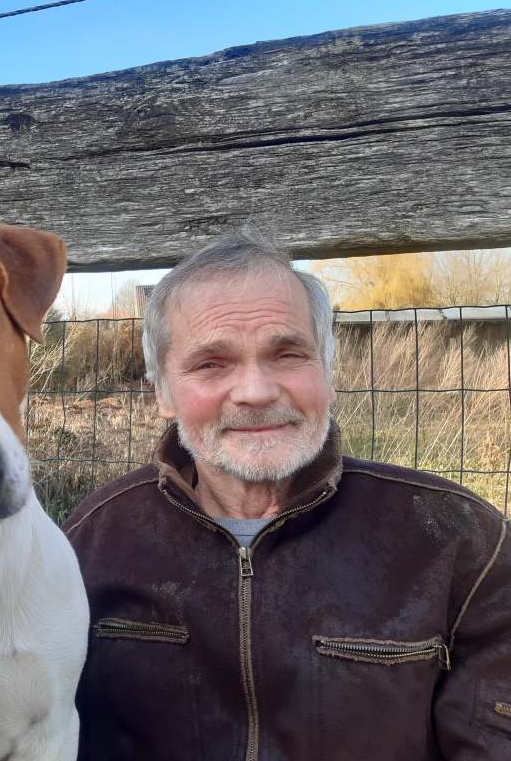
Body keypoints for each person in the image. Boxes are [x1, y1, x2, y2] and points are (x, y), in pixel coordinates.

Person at [64, 228, 511, 760]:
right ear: (162, 389)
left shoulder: (459, 540)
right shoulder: (92, 540)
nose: (255, 391)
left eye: (287, 354)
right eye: (212, 363)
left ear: (329, 371)